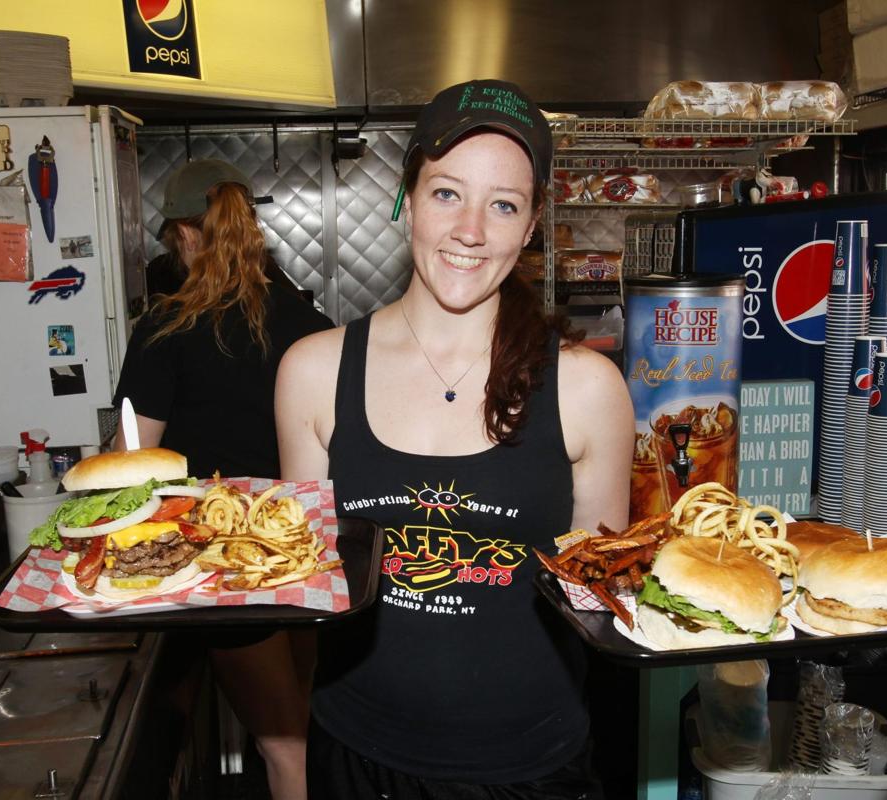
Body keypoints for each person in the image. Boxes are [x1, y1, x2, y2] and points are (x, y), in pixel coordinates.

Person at [276, 79, 634, 797]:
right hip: (356, 756)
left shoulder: (587, 389)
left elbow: (599, 596)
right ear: (406, 198)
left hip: (530, 770)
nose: (470, 230)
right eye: (446, 193)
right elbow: (301, 582)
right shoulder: (312, 372)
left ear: (530, 224)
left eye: (502, 204)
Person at [113, 158, 332, 800]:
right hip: (305, 557)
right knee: (303, 721)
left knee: (284, 749)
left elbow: (130, 461)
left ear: (183, 236)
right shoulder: (312, 326)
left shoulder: (166, 328)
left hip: (228, 571)